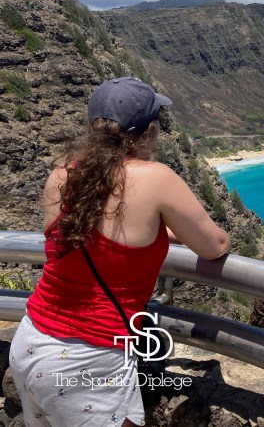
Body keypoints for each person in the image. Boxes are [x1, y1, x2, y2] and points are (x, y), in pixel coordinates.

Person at [9, 77, 231, 426]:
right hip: (89, 359)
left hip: (32, 341)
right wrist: (167, 232)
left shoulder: (61, 175)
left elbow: (91, 239)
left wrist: (155, 233)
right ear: (150, 131)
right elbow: (215, 245)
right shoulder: (155, 178)